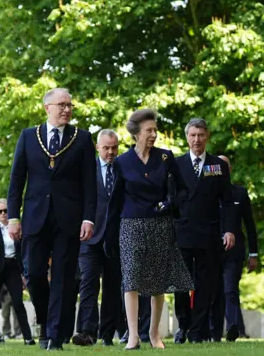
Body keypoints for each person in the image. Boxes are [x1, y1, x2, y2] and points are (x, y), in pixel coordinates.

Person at [7, 87, 97, 350]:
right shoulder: (28, 137)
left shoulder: (82, 139)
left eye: (70, 105)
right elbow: (16, 180)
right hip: (35, 218)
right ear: (47, 108)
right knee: (34, 274)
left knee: (64, 278)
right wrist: (13, 216)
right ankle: (47, 322)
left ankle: (56, 337)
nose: (67, 109)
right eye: (61, 105)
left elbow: (90, 185)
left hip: (69, 220)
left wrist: (88, 219)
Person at [110, 108, 193, 350]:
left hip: (160, 224)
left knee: (158, 282)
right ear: (136, 133)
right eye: (149, 130)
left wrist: (171, 203)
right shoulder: (122, 162)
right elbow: (115, 201)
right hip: (130, 226)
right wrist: (108, 233)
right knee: (131, 280)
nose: (154, 134)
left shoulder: (166, 157)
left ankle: (154, 334)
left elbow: (184, 190)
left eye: (155, 130)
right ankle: (133, 336)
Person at [173, 118, 236, 344]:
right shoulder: (176, 163)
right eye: (192, 135)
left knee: (204, 286)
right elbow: (169, 198)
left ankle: (197, 331)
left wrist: (229, 230)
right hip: (181, 234)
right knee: (181, 284)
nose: (196, 140)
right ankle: (183, 325)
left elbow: (227, 201)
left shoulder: (217, 166)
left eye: (200, 135)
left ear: (207, 136)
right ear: (187, 137)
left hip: (208, 234)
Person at [72, 129, 126, 347]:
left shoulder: (124, 169)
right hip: (90, 238)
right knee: (88, 284)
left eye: (114, 148)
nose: (110, 152)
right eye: (106, 148)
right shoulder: (87, 170)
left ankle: (107, 335)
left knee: (113, 288)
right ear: (97, 147)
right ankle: (86, 332)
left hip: (115, 239)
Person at [209, 155, 258, 342]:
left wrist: (253, 254)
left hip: (234, 252)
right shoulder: (207, 193)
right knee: (213, 292)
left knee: (230, 289)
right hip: (210, 249)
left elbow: (250, 226)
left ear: (229, 170)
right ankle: (213, 332)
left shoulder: (240, 193)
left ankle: (232, 326)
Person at [0, 198, 34, 345]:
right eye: (0, 211)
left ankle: (28, 338)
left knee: (18, 303)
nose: (3, 214)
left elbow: (23, 252)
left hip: (13, 269)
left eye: (6, 210)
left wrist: (24, 274)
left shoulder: (18, 228)